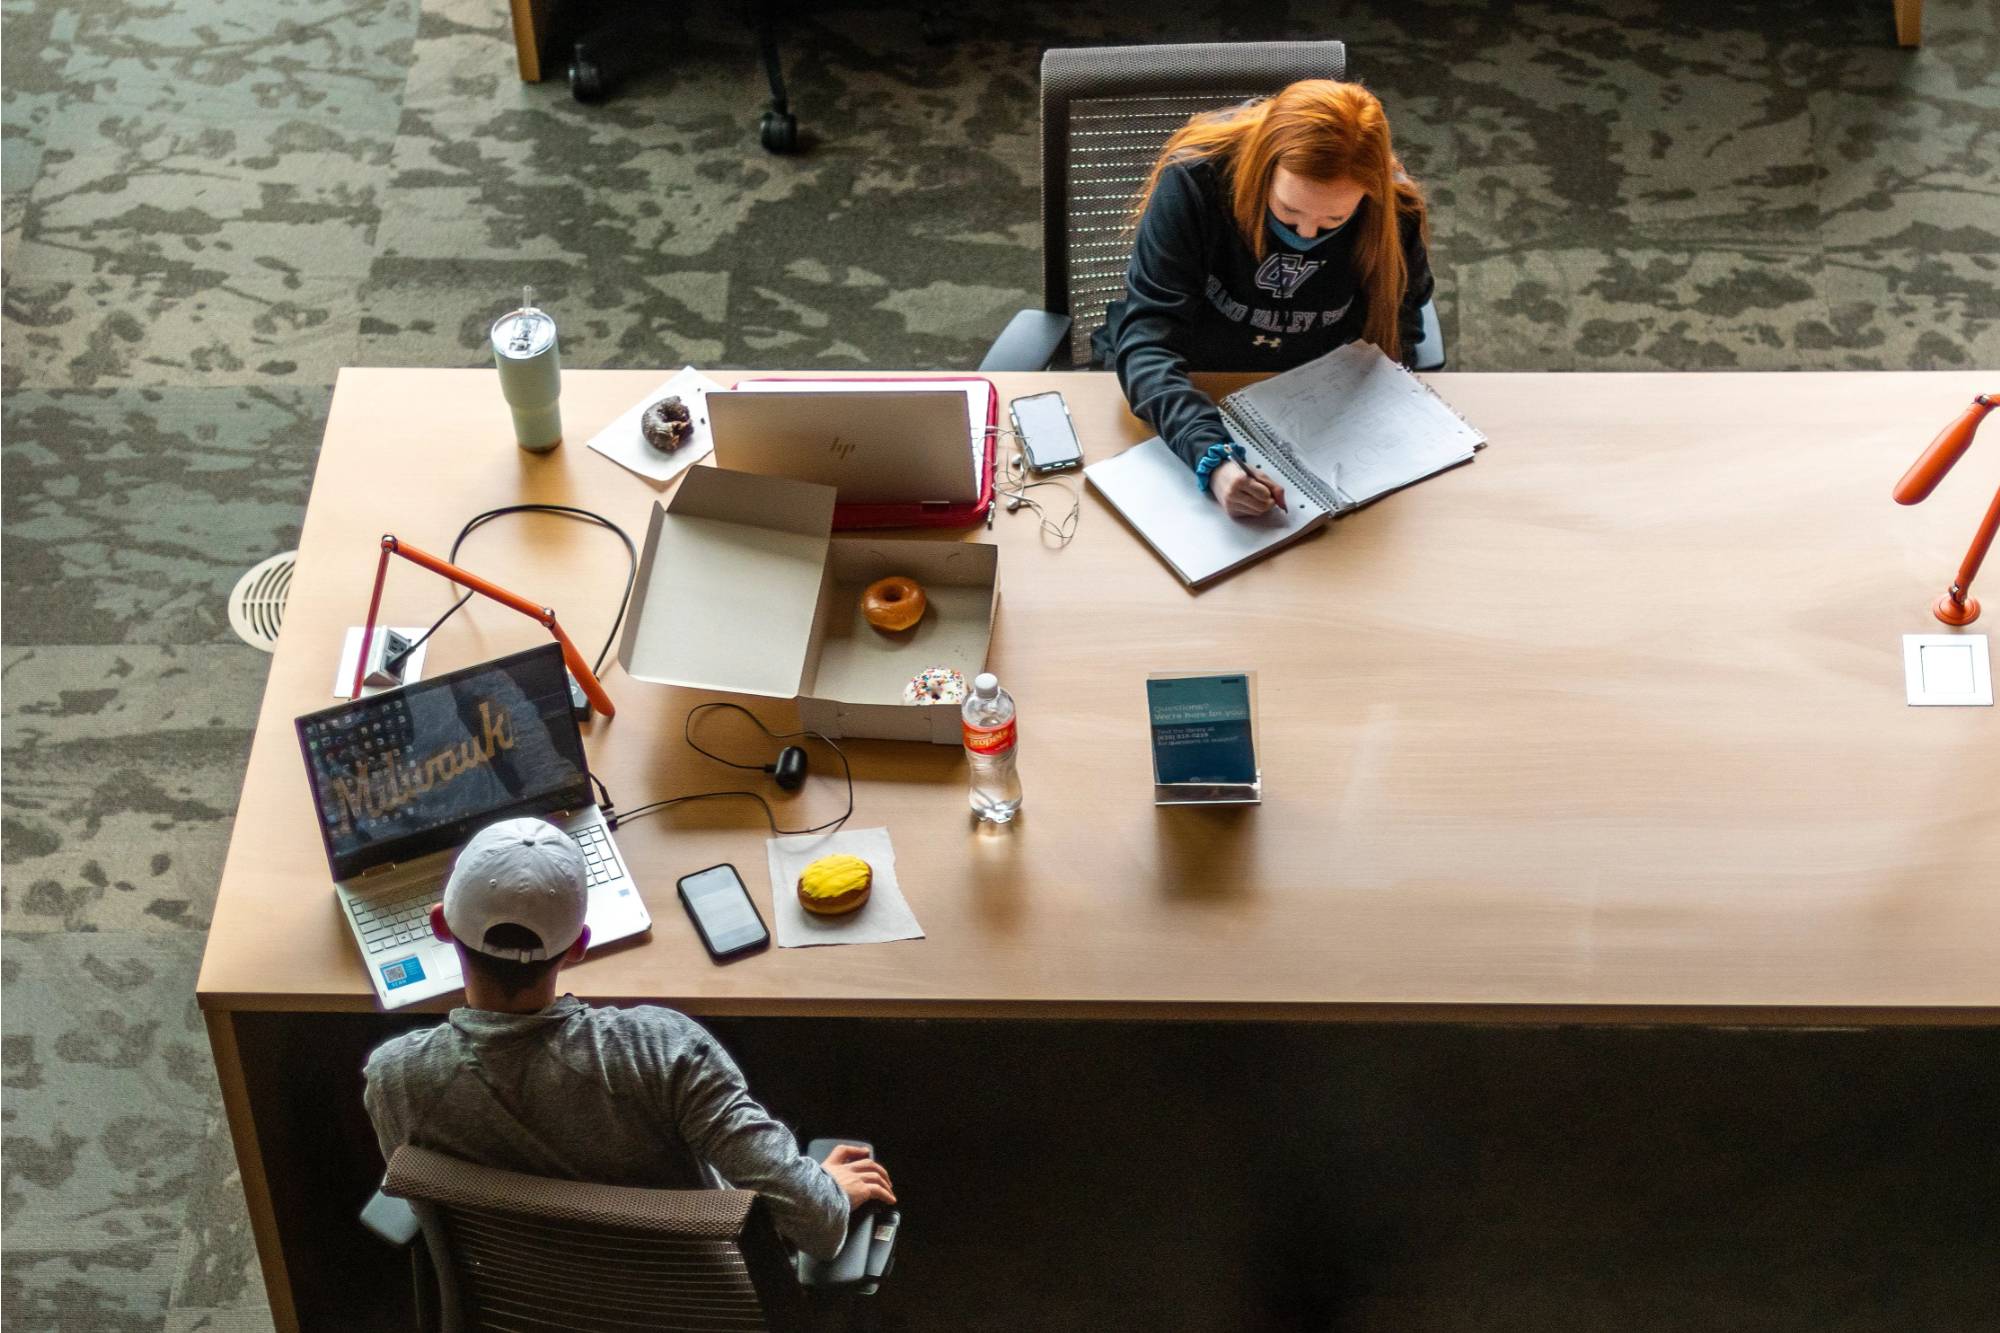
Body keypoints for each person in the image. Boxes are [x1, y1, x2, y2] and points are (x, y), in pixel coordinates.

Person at [362, 817, 894, 1260]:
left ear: (439, 925)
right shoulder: (664, 1050)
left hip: (523, 1305)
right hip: (687, 1300)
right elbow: (818, 1229)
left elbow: (423, 1205)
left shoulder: (395, 1079)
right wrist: (825, 1194)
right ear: (579, 947)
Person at [1094, 80, 1435, 520]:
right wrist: (1212, 458)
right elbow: (1147, 341)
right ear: (1262, 170)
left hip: (1316, 406)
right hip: (1194, 387)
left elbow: (1400, 324)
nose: (1307, 235)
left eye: (1335, 218)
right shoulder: (1196, 182)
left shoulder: (1395, 208)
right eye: (1289, 212)